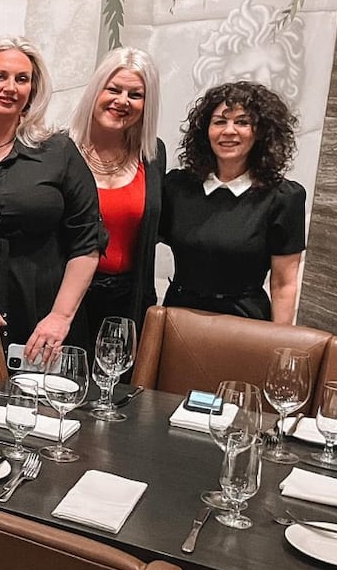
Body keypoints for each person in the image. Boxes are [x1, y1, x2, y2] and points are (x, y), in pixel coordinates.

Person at [0, 36, 103, 362]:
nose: (11, 87)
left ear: (32, 91)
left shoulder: (59, 151)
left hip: (45, 326)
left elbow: (87, 244)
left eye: (22, 79)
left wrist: (60, 318)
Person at [159, 81, 305, 322]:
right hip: (178, 317)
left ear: (261, 133)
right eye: (219, 122)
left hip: (244, 323)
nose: (229, 131)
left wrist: (282, 345)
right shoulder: (177, 186)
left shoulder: (283, 197)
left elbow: (283, 285)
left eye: (242, 122)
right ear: (205, 130)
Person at [66, 48, 165, 347]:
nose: (122, 101)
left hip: (129, 303)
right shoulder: (59, 151)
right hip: (67, 300)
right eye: (113, 89)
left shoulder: (154, 155)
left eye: (135, 95)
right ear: (96, 91)